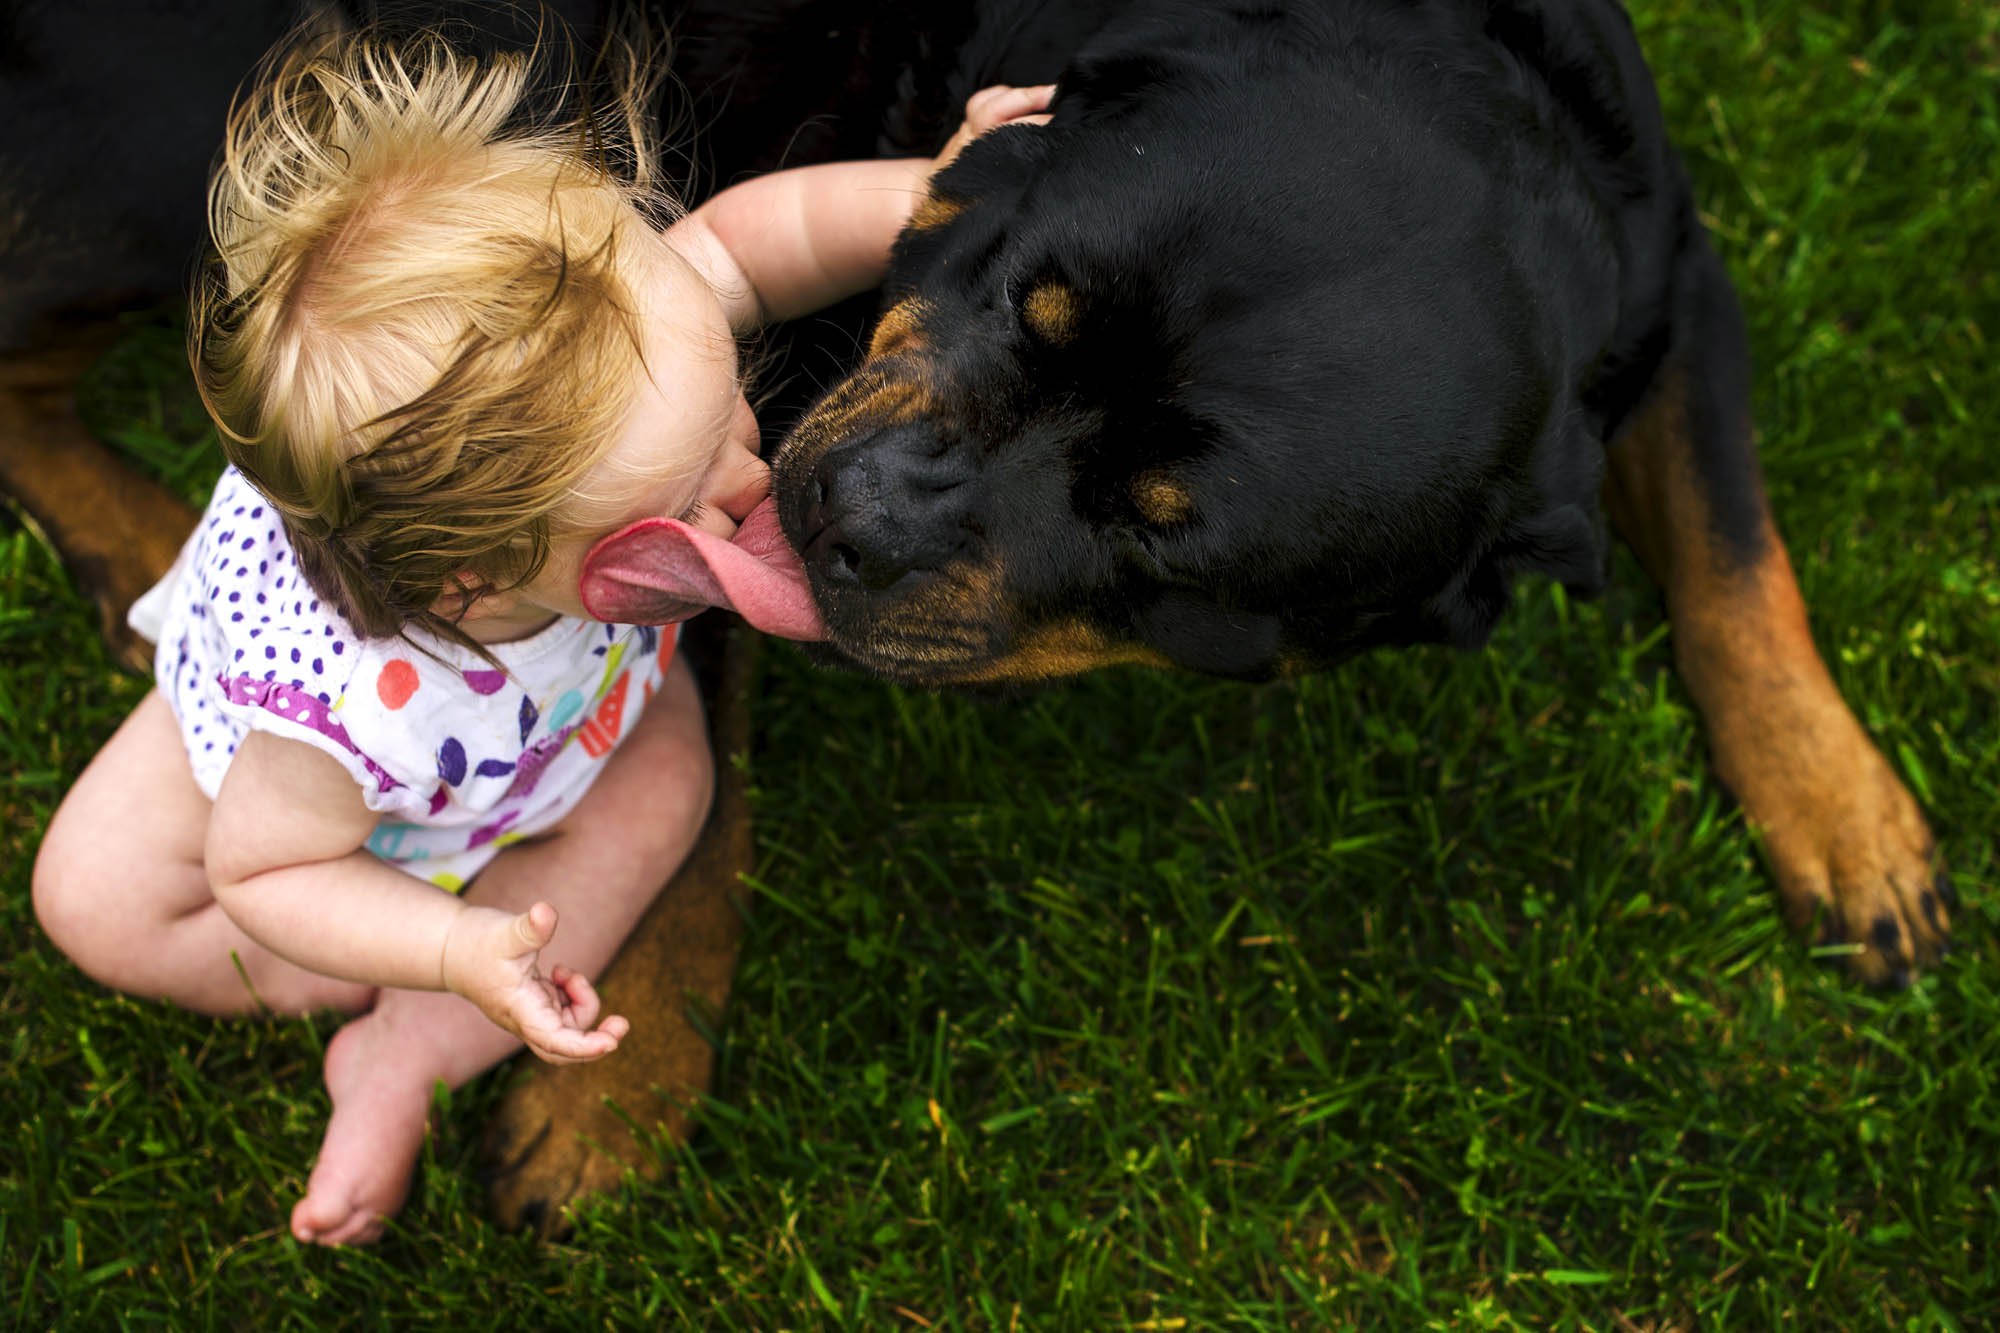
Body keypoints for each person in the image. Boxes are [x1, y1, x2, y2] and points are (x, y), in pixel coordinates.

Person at [30, 17, 1051, 1246]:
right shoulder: (328, 719)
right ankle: (421, 1008)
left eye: (726, 396)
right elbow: (269, 870)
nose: (751, 465)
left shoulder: (639, 350)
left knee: (665, 783)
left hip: (579, 724)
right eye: (687, 499)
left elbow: (751, 241)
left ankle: (409, 1056)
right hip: (351, 802)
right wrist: (452, 944)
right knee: (91, 901)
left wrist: (943, 192)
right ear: (475, 583)